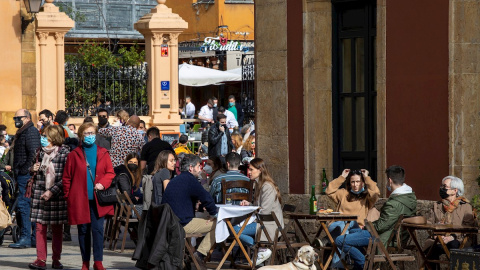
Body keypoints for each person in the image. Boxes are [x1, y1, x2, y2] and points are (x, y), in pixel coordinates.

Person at [335, 165, 417, 270]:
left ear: (390, 181)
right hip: (395, 236)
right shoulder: (410, 198)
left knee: (339, 240)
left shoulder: (394, 203)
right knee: (352, 232)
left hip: (382, 237)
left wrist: (366, 226)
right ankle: (359, 266)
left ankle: (365, 264)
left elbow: (380, 227)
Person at [63, 122, 115, 270]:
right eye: (87, 133)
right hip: (80, 200)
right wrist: (69, 196)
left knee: (98, 230)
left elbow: (110, 173)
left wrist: (103, 184)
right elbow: (67, 178)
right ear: (81, 135)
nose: (90, 136)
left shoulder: (103, 152)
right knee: (83, 231)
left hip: (98, 200)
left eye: (92, 133)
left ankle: (98, 261)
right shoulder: (73, 155)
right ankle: (85, 262)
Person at [161, 154, 217, 270]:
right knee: (221, 224)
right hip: (181, 224)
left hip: (169, 222)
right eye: (199, 166)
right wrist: (213, 214)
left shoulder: (175, 180)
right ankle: (200, 254)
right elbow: (207, 198)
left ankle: (192, 253)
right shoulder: (190, 180)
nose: (201, 168)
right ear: (191, 168)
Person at [28, 125, 70, 270]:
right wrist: (32, 168)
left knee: (57, 229)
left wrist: (52, 191)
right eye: (42, 136)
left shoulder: (64, 153)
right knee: (39, 228)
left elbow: (66, 177)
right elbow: (33, 170)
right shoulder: (39, 152)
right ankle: (41, 259)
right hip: (39, 194)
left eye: (45, 136)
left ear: (54, 137)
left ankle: (56, 259)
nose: (43, 139)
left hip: (56, 196)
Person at [325, 169, 380, 267]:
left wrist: (367, 177)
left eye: (358, 181)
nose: (355, 185)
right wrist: (342, 177)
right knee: (344, 225)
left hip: (356, 229)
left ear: (362, 183)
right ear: (349, 183)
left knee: (349, 222)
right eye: (353, 182)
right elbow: (329, 191)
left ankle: (337, 264)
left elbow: (376, 193)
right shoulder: (343, 193)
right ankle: (338, 265)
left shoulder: (367, 197)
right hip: (339, 226)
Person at [233, 158, 283, 265]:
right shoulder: (260, 184)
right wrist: (250, 205)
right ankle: (260, 249)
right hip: (263, 223)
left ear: (260, 170)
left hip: (269, 225)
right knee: (233, 227)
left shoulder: (267, 186)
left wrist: (252, 212)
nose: (248, 172)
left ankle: (261, 250)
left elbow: (264, 210)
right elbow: (259, 207)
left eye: (251, 169)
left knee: (234, 230)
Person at [424, 176, 475, 270]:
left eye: (445, 186)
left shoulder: (465, 206)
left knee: (453, 245)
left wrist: (452, 237)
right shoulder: (437, 205)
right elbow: (429, 224)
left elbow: (468, 228)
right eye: (441, 186)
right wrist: (435, 236)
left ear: (454, 190)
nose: (441, 189)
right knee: (429, 247)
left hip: (458, 240)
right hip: (438, 239)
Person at [9, 109, 41, 249]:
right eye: (15, 117)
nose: (16, 119)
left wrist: (26, 169)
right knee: (26, 205)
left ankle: (26, 237)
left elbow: (34, 153)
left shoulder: (30, 132)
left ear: (27, 118)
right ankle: (32, 238)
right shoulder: (22, 132)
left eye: (18, 117)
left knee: (24, 205)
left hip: (25, 175)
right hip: (21, 174)